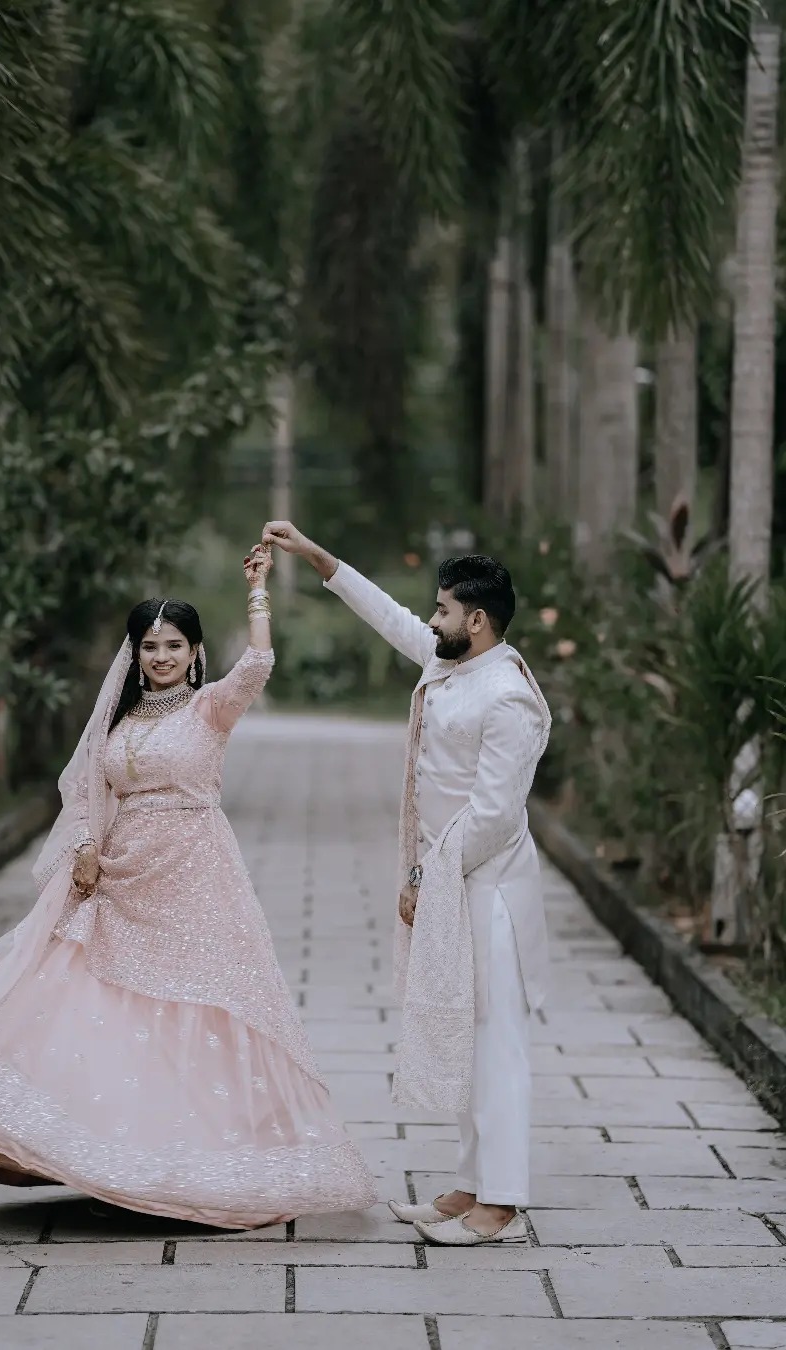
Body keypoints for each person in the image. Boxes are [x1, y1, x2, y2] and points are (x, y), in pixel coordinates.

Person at [0, 542, 377, 1230]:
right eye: (149, 645)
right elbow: (86, 792)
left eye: (173, 645)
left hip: (194, 872)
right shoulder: (117, 723)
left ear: (194, 652)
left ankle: (198, 1160)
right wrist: (86, 846)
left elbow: (261, 664)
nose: (160, 656)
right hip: (121, 876)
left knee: (196, 1003)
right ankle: (102, 1152)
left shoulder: (210, 710)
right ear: (135, 653)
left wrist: (259, 590)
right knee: (102, 1000)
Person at [262, 521, 551, 1247]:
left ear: (477, 621)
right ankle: (469, 1185)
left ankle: (503, 1208)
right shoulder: (452, 664)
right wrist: (315, 555)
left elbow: (493, 813)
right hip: (454, 881)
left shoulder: (507, 696)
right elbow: (387, 614)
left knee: (497, 1043)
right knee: (463, 1031)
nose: (431, 619)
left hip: (489, 895)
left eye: (444, 610)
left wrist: (430, 879)